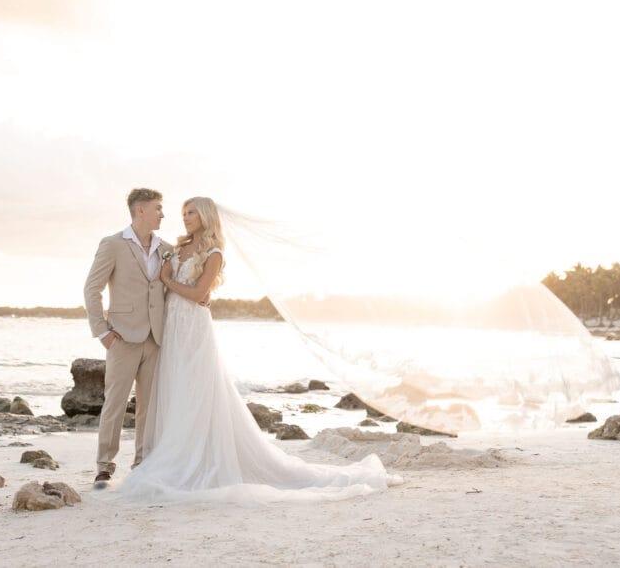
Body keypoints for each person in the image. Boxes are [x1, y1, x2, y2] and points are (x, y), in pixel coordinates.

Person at [115, 197, 398, 503]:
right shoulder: (176, 248)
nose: (186, 217)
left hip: (194, 328)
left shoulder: (214, 253)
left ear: (206, 215)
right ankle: (169, 451)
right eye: (184, 213)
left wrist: (168, 281)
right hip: (172, 326)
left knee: (194, 389)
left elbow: (198, 294)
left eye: (192, 212)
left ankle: (192, 458)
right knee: (174, 387)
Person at [83, 188, 171, 487]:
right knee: (115, 403)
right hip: (121, 337)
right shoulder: (113, 244)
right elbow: (92, 289)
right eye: (158, 208)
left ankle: (142, 463)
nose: (162, 214)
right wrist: (102, 331)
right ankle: (104, 465)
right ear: (140, 210)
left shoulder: (166, 248)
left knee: (149, 406)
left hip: (155, 338)